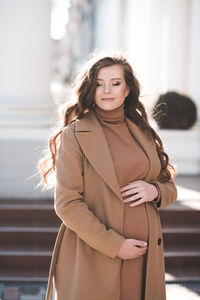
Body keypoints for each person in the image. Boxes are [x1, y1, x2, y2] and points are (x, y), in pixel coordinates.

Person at [39, 52, 177, 300]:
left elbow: (169, 185)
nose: (106, 90)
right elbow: (68, 204)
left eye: (115, 83)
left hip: (144, 259)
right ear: (90, 89)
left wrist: (154, 191)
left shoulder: (143, 132)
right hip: (97, 255)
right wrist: (115, 246)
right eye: (99, 83)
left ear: (127, 89)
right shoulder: (75, 134)